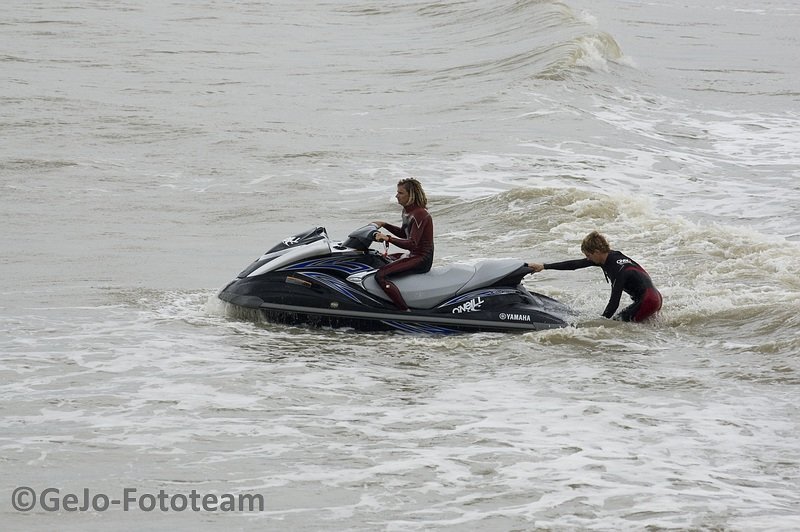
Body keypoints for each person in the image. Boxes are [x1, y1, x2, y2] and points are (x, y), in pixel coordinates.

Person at [527, 231, 662, 322]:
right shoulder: (611, 257)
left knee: (618, 325)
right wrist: (544, 266)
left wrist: (599, 326)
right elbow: (574, 264)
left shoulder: (618, 269)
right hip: (654, 297)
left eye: (588, 255)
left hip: (648, 301)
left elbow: (613, 304)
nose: (587, 259)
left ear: (597, 252)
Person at [371, 178, 434, 311]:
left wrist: (387, 238)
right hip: (413, 255)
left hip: (422, 259)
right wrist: (384, 224)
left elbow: (411, 243)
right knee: (378, 259)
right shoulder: (407, 211)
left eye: (400, 193)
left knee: (380, 275)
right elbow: (404, 233)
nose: (396, 196)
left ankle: (404, 311)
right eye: (397, 192)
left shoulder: (420, 214)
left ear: (410, 195)